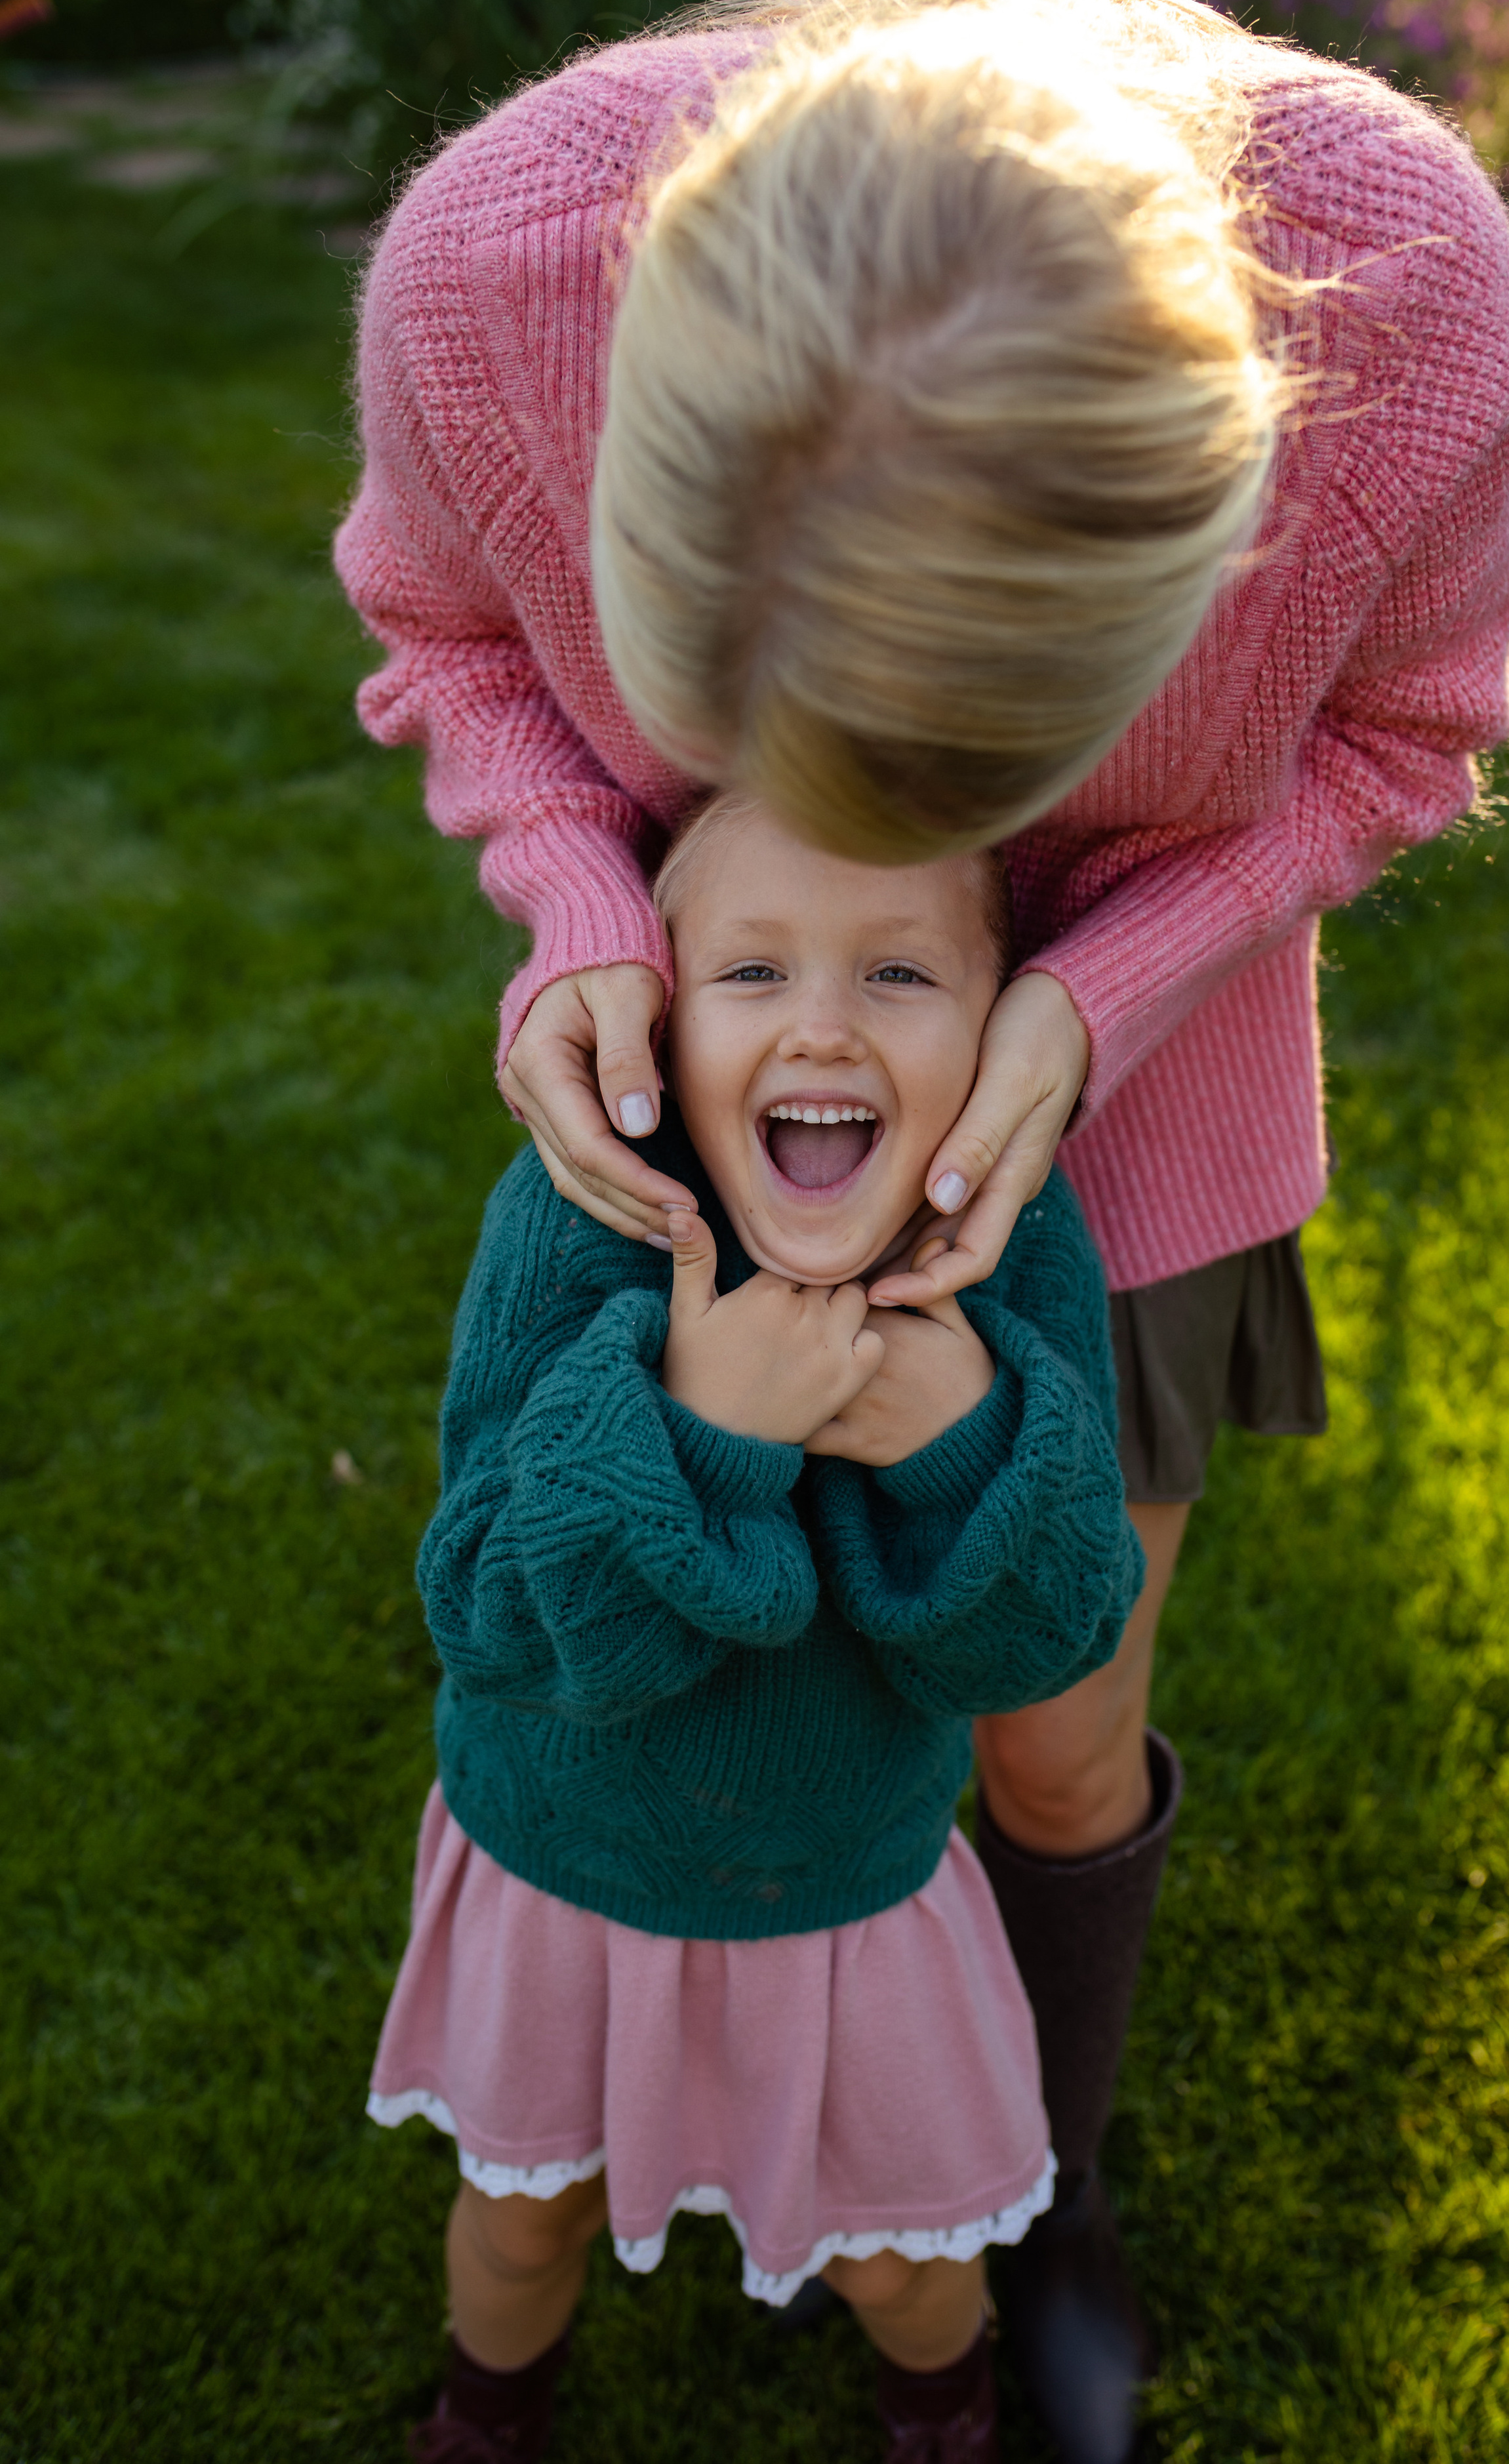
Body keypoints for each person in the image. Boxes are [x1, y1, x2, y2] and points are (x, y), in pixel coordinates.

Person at [335, 0, 1509, 2455]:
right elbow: (446, 627)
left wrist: (1108, 987)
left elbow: (1409, 735)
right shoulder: (483, 281)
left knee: (1056, 1740)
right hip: (723, 1064)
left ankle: (1025, 2184)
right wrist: (586, 892)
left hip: (1161, 1081)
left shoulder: (1409, 321)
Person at [369, 792, 1144, 2464]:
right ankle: (484, 2414)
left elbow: (1046, 1633)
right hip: (567, 1866)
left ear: (1000, 1039)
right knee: (524, 2221)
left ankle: (938, 2413)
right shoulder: (580, 1225)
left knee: (902, 2255)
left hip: (847, 1891)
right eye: (750, 972)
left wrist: (967, 1448)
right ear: (656, 1017)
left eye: (897, 976)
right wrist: (693, 1430)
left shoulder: (1007, 1254)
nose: (820, 1024)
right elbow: (493, 1615)